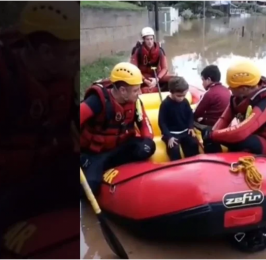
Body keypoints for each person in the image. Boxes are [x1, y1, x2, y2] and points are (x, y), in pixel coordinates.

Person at [0, 1, 80, 257]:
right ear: (46, 53)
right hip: (9, 183)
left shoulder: (61, 77)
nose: (79, 62)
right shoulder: (6, 80)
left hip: (46, 170)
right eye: (73, 54)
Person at [80, 62, 156, 194]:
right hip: (98, 153)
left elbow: (145, 127)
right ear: (122, 91)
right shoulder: (97, 101)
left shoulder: (135, 102)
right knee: (91, 187)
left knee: (149, 147)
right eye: (135, 90)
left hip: (121, 147)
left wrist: (148, 142)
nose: (139, 93)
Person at [201, 60, 266, 159]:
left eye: (231, 86)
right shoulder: (239, 98)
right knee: (209, 133)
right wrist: (211, 134)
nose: (229, 88)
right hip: (253, 135)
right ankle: (213, 161)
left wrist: (213, 135)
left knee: (242, 141)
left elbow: (242, 132)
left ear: (243, 88)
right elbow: (225, 119)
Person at [158, 76, 199, 161]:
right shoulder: (165, 104)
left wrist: (190, 126)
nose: (181, 98)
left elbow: (190, 115)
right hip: (171, 133)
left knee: (193, 143)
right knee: (174, 148)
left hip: (185, 131)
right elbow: (162, 122)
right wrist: (168, 136)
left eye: (183, 95)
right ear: (171, 92)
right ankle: (177, 167)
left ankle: (194, 164)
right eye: (178, 96)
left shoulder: (185, 102)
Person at [130, 27, 172, 94]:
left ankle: (162, 90)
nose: (150, 42)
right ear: (143, 40)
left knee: (174, 79)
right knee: (131, 83)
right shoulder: (137, 51)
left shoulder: (160, 51)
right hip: (142, 77)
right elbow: (134, 69)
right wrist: (144, 80)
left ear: (153, 39)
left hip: (156, 76)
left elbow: (165, 68)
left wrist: (157, 79)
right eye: (147, 39)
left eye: (151, 39)